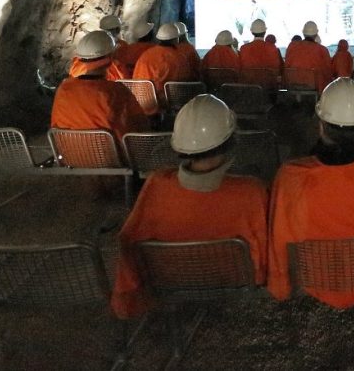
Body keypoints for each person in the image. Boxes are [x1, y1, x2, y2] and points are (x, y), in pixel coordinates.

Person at [111, 95, 269, 318]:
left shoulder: (157, 184)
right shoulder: (252, 191)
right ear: (231, 140)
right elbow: (263, 252)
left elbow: (130, 239)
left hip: (169, 278)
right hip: (234, 278)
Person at [266, 78, 354, 308]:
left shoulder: (290, 177)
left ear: (321, 124)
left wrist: (281, 286)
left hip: (311, 277)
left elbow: (280, 236)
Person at [51, 31, 148, 144]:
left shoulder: (63, 88)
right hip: (110, 157)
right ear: (111, 57)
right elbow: (141, 123)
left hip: (70, 155)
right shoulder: (116, 91)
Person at [133, 23, 197, 111]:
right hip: (167, 103)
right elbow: (186, 81)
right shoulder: (179, 58)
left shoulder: (145, 55)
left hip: (143, 100)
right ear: (176, 39)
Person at [283, 21, 334, 92]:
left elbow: (286, 66)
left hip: (293, 87)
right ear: (316, 34)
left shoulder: (292, 46)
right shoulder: (322, 50)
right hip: (315, 90)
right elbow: (328, 73)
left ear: (303, 33)